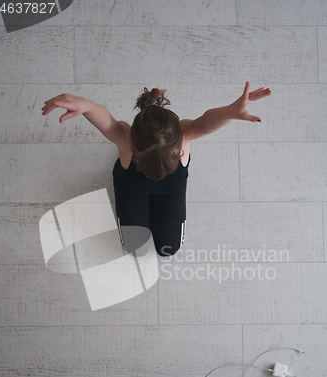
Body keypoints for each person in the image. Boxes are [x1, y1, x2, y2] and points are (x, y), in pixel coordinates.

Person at [41, 82, 271, 256]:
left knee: (168, 249)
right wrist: (87, 106)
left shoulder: (185, 136)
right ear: (131, 139)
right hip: (132, 191)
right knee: (134, 248)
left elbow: (207, 121)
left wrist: (230, 111)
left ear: (180, 138)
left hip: (169, 193)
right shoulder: (124, 140)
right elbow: (107, 120)